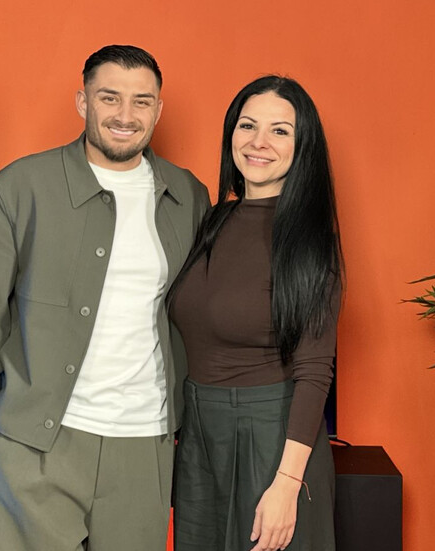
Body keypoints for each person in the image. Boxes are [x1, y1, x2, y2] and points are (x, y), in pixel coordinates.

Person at [0, 44, 210, 551]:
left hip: (144, 443)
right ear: (82, 101)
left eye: (141, 101)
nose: (125, 115)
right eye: (109, 97)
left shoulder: (188, 196)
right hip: (36, 444)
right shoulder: (18, 188)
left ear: (158, 110)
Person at [170, 75, 342, 551]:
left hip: (273, 440)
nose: (258, 142)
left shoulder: (310, 241)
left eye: (280, 131)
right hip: (200, 436)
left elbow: (315, 370)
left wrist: (287, 484)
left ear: (302, 147)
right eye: (248, 125)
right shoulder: (212, 220)